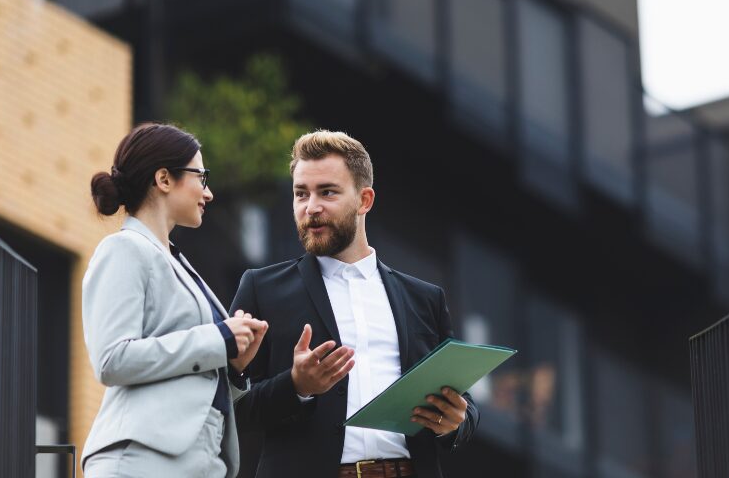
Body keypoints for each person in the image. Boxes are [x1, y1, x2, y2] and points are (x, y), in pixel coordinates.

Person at [231, 130, 478, 478]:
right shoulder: (261, 289)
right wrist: (296, 386)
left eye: (327, 192)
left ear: (365, 200)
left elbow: (461, 402)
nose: (311, 207)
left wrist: (454, 422)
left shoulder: (424, 299)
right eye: (301, 194)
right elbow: (229, 405)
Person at [81, 123, 268, 477]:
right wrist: (218, 339)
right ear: (164, 179)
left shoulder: (177, 263)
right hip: (141, 462)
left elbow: (189, 383)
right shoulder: (123, 249)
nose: (208, 193)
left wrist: (234, 366)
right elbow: (112, 359)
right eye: (202, 176)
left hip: (198, 464)